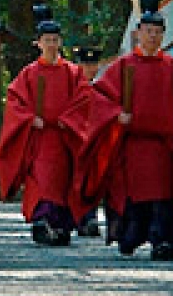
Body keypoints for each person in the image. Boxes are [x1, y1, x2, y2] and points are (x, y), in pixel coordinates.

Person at [72, 0, 173, 261]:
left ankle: (163, 241)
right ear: (138, 33)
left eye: (158, 32)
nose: (152, 36)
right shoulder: (123, 66)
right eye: (148, 31)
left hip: (164, 146)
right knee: (133, 194)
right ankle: (130, 237)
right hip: (133, 145)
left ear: (163, 35)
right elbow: (101, 97)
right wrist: (116, 115)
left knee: (163, 195)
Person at [0, 5, 90, 247]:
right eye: (46, 40)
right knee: (41, 179)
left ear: (60, 42)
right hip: (39, 138)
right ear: (37, 43)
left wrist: (68, 120)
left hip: (64, 136)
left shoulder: (72, 72)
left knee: (63, 180)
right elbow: (15, 100)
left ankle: (60, 226)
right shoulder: (29, 73)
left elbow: (83, 99)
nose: (51, 44)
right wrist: (28, 118)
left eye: (54, 40)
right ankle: (42, 221)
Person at [71, 45, 103, 237]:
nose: (88, 69)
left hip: (94, 140)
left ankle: (90, 218)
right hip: (74, 140)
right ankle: (75, 218)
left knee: (92, 182)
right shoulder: (70, 88)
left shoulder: (102, 88)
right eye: (84, 64)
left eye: (92, 64)